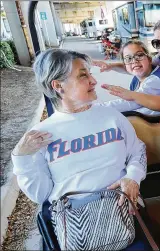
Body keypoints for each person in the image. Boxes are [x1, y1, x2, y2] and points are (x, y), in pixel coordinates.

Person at [11, 49, 152, 250]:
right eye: (83, 75)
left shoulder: (111, 117)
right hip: (75, 226)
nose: (93, 81)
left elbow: (137, 151)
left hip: (123, 213)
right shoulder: (41, 135)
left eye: (90, 73)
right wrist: (21, 159)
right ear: (58, 85)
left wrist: (133, 178)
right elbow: (41, 194)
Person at [99, 40, 160, 116]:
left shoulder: (155, 81)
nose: (134, 61)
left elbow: (132, 102)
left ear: (149, 59)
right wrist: (110, 66)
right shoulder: (140, 76)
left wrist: (97, 108)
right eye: (128, 58)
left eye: (139, 55)